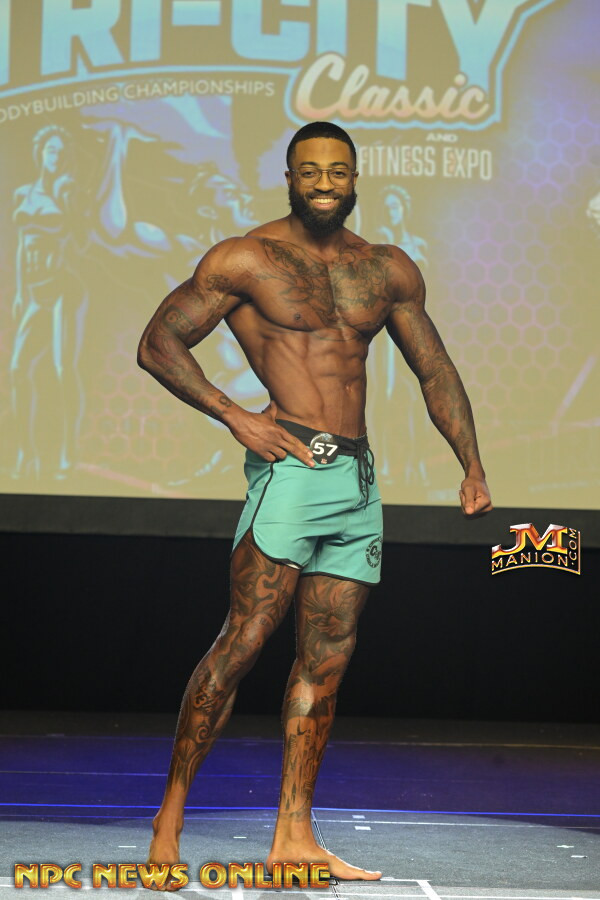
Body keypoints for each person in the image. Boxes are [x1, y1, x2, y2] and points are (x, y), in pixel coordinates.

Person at [137, 120, 493, 887]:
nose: (324, 183)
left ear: (354, 179)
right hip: (293, 471)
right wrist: (235, 415)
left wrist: (471, 464)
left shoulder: (385, 269)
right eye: (310, 171)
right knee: (244, 639)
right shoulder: (245, 259)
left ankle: (293, 837)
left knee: (326, 660)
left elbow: (433, 367)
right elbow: (158, 342)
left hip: (356, 482)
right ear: (290, 178)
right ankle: (169, 819)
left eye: (337, 171)